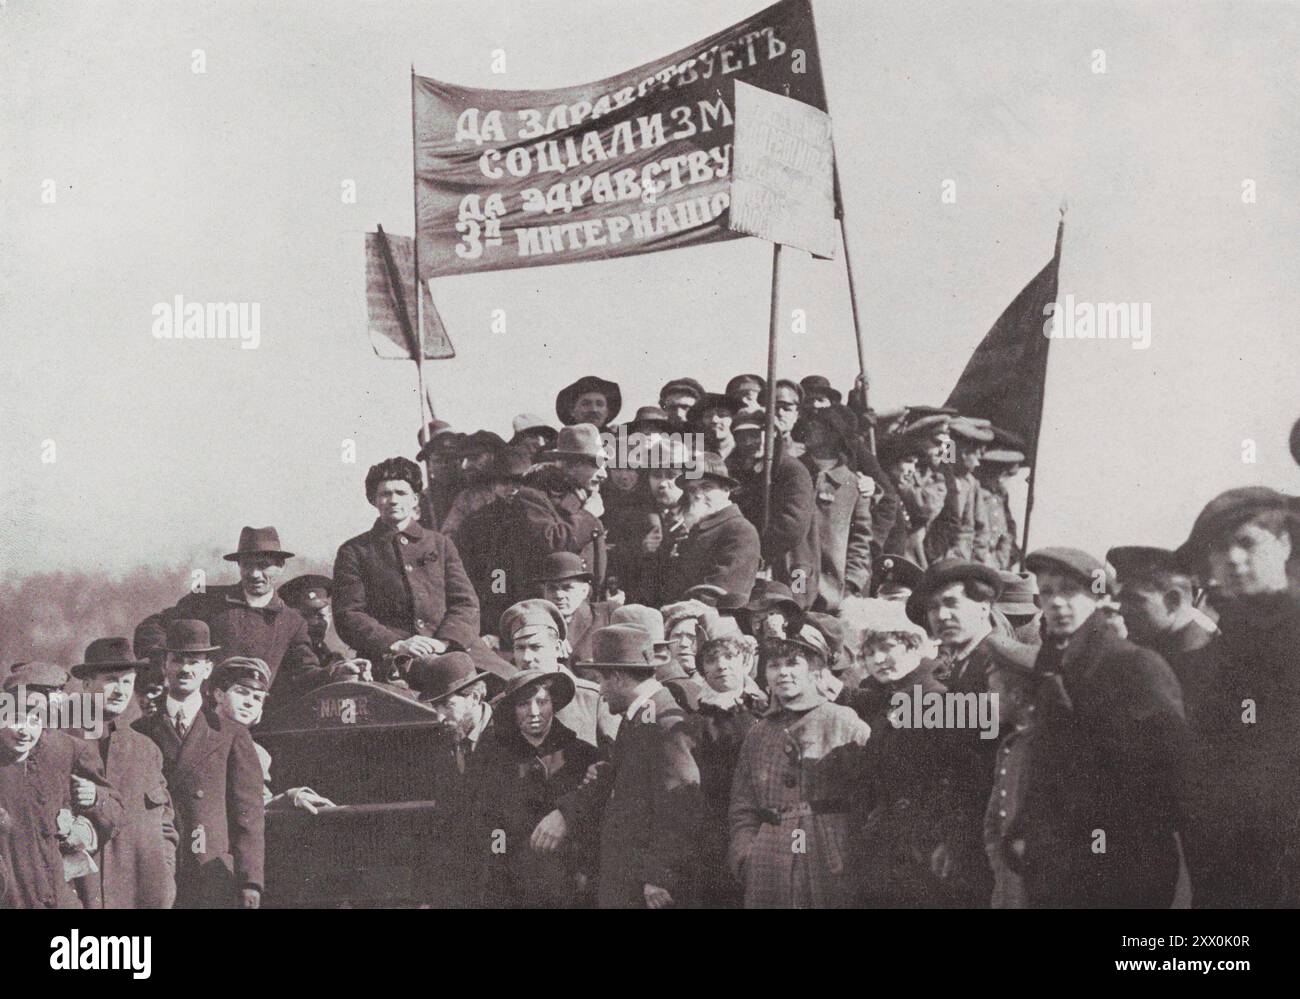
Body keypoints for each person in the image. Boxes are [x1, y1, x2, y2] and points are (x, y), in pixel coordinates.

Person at [1016, 547, 1187, 908]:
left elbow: (1170, 778)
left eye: (1069, 591)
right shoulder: (1053, 664)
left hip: (1119, 871)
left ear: (1098, 596)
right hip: (1059, 866)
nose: (1057, 602)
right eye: (1047, 592)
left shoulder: (1134, 665)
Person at [1172, 488, 1300, 907]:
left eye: (1247, 542)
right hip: (1224, 872)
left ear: (1284, 544)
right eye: (1219, 548)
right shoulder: (1218, 650)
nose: (1233, 559)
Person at [536, 625, 704, 909]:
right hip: (628, 880)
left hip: (645, 888)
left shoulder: (663, 724)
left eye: (601, 680)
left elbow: (683, 802)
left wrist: (658, 876)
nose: (600, 692)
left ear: (616, 677)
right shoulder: (640, 717)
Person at [906, 558, 1036, 905]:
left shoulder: (999, 667)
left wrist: (956, 839)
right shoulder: (959, 666)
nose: (941, 615)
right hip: (961, 838)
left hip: (989, 841)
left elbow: (989, 769)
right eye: (933, 608)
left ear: (983, 606)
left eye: (951, 603)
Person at [728, 626, 871, 908]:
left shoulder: (844, 722)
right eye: (774, 665)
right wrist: (745, 853)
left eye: (793, 663)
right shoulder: (759, 733)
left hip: (827, 854)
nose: (783, 673)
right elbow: (742, 805)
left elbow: (871, 798)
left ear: (815, 670)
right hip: (768, 856)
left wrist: (846, 850)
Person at [333, 456, 499, 685]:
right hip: (393, 659)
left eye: (401, 493)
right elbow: (349, 615)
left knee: (515, 684)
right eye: (385, 494)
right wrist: (397, 644)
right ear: (373, 500)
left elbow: (466, 603)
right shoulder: (355, 551)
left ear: (415, 499)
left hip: (454, 648)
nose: (393, 500)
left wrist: (443, 642)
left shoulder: (440, 544)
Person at [133, 621, 265, 909]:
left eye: (194, 662)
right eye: (177, 660)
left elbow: (249, 815)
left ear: (207, 670)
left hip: (212, 871)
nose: (185, 669)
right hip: (160, 867)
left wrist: (250, 880)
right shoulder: (139, 732)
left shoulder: (231, 734)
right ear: (164, 666)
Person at [134, 526, 326, 702]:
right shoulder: (206, 601)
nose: (254, 574)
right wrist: (159, 662)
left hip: (254, 721)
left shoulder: (292, 621)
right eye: (247, 566)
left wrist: (335, 672)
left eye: (263, 565)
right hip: (200, 717)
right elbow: (153, 626)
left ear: (280, 566)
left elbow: (304, 672)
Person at [0, 663, 124, 909]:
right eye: (17, 717)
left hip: (59, 895)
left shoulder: (67, 749)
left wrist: (94, 800)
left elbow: (115, 810)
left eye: (37, 717)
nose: (26, 730)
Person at [471, 669, 598, 908]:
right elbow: (489, 822)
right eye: (523, 704)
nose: (534, 712)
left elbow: (594, 818)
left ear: (554, 704)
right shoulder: (493, 757)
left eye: (542, 701)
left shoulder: (582, 755)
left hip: (570, 886)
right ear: (512, 710)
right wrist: (499, 860)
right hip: (513, 888)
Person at [850, 601, 948, 907]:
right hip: (889, 843)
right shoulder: (886, 699)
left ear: (913, 644)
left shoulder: (937, 699)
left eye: (888, 647)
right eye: (868, 652)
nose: (877, 659)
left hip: (926, 846)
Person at [73, 638, 178, 909]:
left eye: (127, 682)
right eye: (111, 679)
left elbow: (165, 825)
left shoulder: (145, 749)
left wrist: (164, 880)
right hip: (79, 896)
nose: (121, 690)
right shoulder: (62, 742)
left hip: (139, 898)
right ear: (86, 684)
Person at [407, 652, 493, 907]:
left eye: (447, 705)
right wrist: (427, 898)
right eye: (436, 706)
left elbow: (506, 827)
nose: (439, 717)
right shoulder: (442, 741)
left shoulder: (507, 738)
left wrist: (497, 863)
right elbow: (437, 828)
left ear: (475, 697)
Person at [694, 622, 765, 907]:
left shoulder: (767, 707)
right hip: (716, 823)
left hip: (763, 818)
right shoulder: (697, 716)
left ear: (746, 661)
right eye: (711, 660)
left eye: (729, 657)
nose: (721, 666)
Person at [1108, 545, 1216, 719]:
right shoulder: (1152, 647)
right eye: (1122, 601)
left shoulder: (1206, 659)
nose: (1122, 610)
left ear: (1173, 600)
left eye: (1136, 600)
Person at [727, 425, 816, 607]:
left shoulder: (792, 470)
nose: (751, 442)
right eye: (743, 437)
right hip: (756, 563)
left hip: (791, 562)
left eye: (756, 435)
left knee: (795, 608)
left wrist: (759, 553)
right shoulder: (744, 474)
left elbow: (792, 525)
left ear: (773, 434)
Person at [794, 410, 873, 612]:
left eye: (819, 427)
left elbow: (861, 541)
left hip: (831, 593)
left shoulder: (853, 485)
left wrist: (852, 583)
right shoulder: (791, 471)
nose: (810, 429)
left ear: (835, 435)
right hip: (794, 581)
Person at [499, 598, 603, 747]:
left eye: (536, 647)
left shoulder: (593, 700)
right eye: (520, 648)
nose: (526, 658)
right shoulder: (502, 705)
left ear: (557, 647)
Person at [670, 453, 762, 605]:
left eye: (706, 487)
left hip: (710, 620)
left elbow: (721, 593)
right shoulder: (698, 529)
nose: (698, 495)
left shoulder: (740, 531)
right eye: (692, 490)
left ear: (726, 490)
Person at [534, 552, 614, 664]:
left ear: (584, 591)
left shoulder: (607, 616)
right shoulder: (535, 623)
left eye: (567, 588)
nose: (559, 595)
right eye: (552, 588)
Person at [278, 574, 353, 670]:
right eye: (307, 615)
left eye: (322, 615)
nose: (316, 623)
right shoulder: (287, 652)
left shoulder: (325, 653)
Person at [555, 374, 621, 428]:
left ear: (607, 412)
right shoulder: (560, 443)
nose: (594, 410)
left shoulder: (620, 442)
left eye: (600, 404)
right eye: (586, 404)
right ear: (572, 411)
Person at [688, 393, 738, 461]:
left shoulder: (744, 450)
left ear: (733, 419)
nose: (714, 420)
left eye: (722, 415)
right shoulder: (693, 453)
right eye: (708, 416)